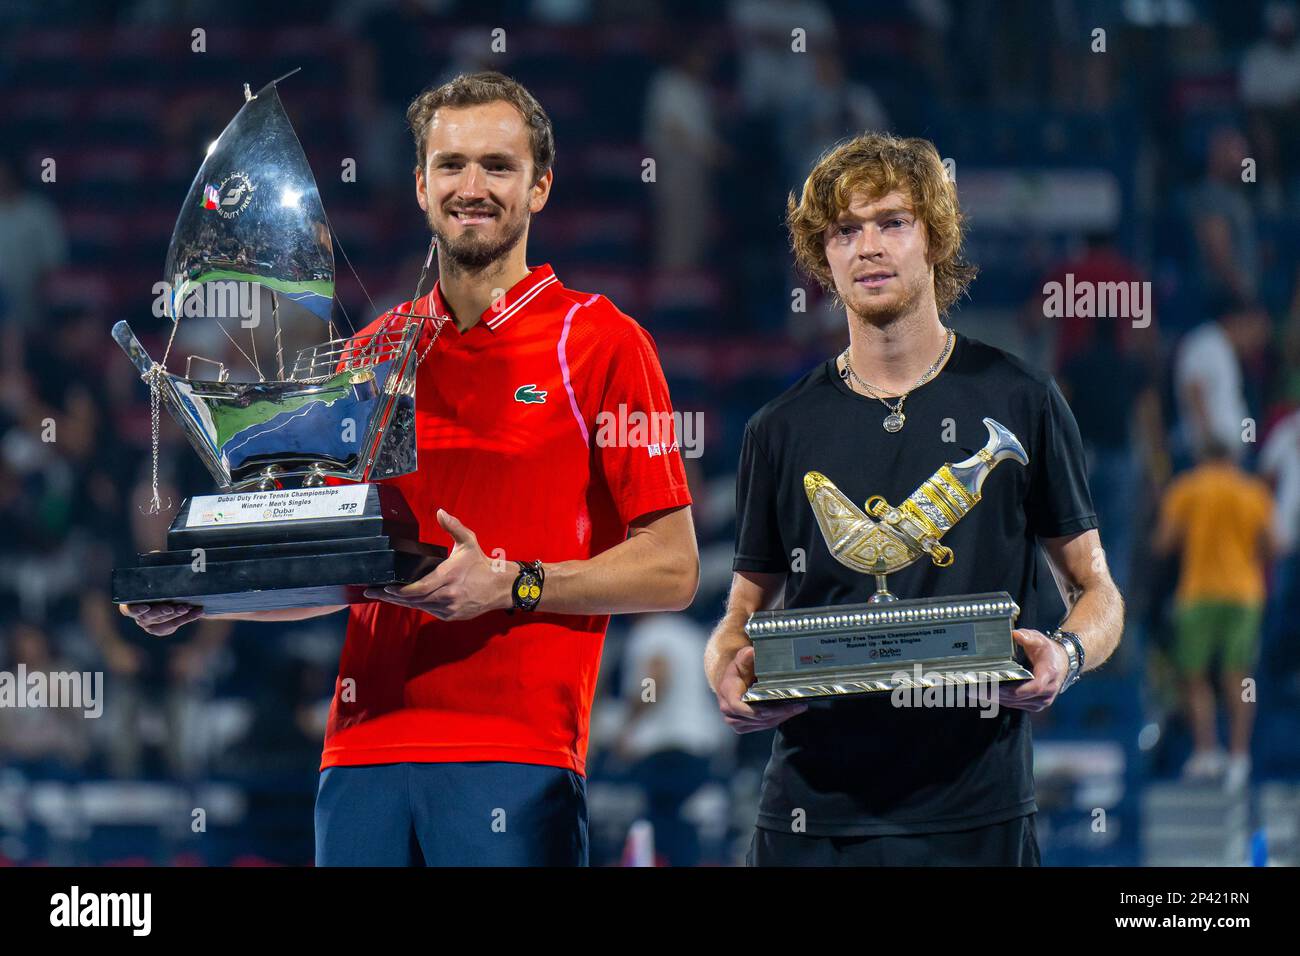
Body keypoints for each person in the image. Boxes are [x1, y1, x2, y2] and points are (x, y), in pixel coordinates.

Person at [121, 71, 699, 866]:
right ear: (421, 187)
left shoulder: (600, 342)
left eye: (499, 166)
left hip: (514, 759)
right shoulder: (372, 354)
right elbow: (343, 568)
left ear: (541, 188)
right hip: (358, 759)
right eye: (452, 165)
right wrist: (212, 600)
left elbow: (673, 569)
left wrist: (514, 583)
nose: (473, 187)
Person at [703, 132, 1125, 866]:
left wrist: (1066, 653)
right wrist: (726, 671)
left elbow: (1097, 592)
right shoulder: (778, 429)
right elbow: (742, 612)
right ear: (823, 258)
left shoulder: (1023, 398)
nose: (868, 246)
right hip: (813, 817)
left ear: (934, 236)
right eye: (845, 230)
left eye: (892, 222)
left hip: (977, 813)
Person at [1153, 439, 1280, 792]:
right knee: (1238, 677)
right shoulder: (1252, 491)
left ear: (1202, 456)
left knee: (1193, 675)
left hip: (1197, 594)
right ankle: (1239, 757)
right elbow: (1277, 544)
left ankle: (1206, 750)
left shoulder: (1188, 488)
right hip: (1244, 595)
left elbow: (1164, 542)